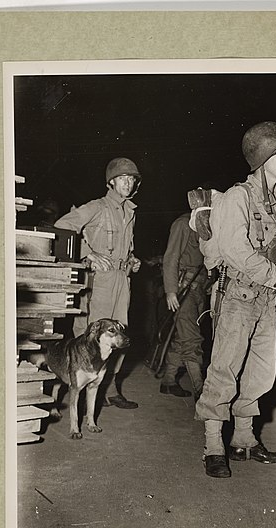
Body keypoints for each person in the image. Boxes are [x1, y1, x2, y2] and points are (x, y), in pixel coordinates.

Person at [195, 121, 276, 478]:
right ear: (265, 158)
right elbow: (234, 251)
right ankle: (213, 444)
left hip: (266, 299)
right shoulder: (237, 197)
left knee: (261, 372)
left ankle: (243, 437)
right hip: (237, 297)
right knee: (225, 369)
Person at [54, 157, 142, 409]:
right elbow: (62, 226)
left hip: (121, 282)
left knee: (119, 336)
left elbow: (126, 248)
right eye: (123, 178)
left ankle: (109, 388)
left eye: (132, 179)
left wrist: (132, 260)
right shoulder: (97, 207)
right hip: (98, 283)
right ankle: (78, 386)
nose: (128, 182)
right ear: (111, 182)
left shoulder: (129, 212)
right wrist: (87, 252)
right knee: (89, 336)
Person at [159, 212, 208, 400]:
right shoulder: (183, 223)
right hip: (183, 289)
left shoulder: (207, 224)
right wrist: (171, 291)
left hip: (198, 289)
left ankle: (168, 381)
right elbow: (171, 257)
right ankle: (200, 389)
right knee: (191, 339)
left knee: (183, 336)